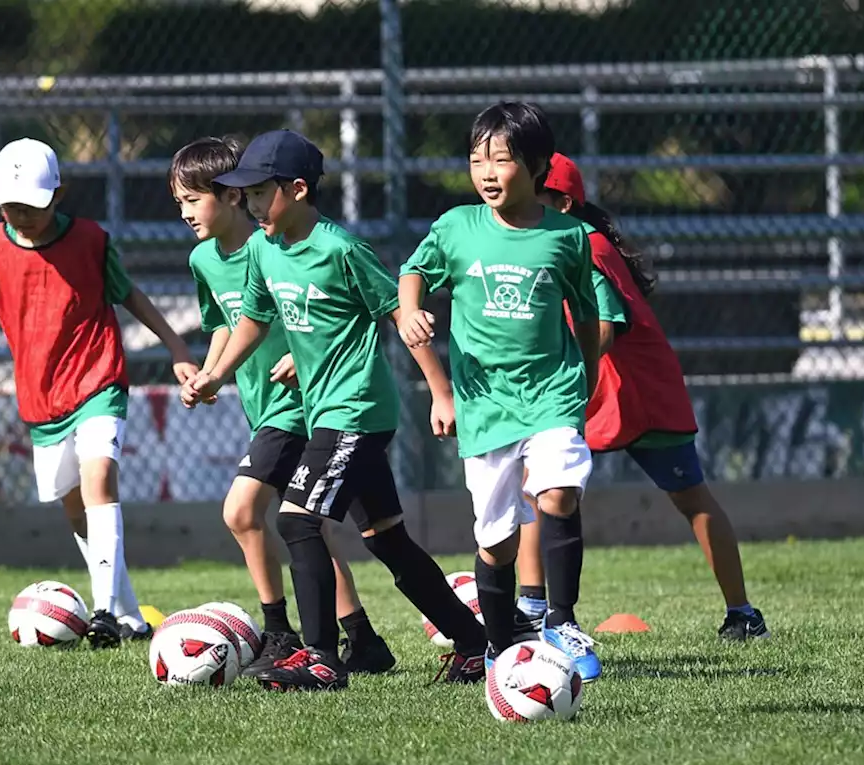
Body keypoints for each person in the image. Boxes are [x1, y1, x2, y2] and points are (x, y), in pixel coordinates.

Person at [182, 129, 488, 691]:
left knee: (297, 519)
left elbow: (396, 309)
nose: (249, 204)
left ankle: (320, 657)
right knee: (385, 537)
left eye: (258, 193)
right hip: (325, 408)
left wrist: (440, 392)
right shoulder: (265, 250)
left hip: (356, 409)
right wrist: (216, 376)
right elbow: (254, 319)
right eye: (243, 195)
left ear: (297, 190)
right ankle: (473, 644)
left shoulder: (339, 249)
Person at [0, 138, 197, 649]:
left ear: (58, 194)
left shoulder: (92, 241)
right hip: (42, 397)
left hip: (99, 379)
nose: (21, 215)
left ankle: (101, 614)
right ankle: (129, 613)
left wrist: (177, 348)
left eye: (31, 205)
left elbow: (130, 296)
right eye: (10, 205)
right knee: (74, 507)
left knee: (100, 477)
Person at [520, 152, 770, 641]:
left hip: (636, 390)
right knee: (537, 488)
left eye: (534, 192)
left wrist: (562, 368)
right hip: (593, 388)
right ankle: (531, 609)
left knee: (690, 497)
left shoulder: (586, 245)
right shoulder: (551, 242)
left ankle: (742, 613)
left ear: (563, 202)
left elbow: (608, 328)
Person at [170, 135, 394, 676]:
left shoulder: (272, 246)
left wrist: (302, 353)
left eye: (194, 200)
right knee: (310, 525)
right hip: (262, 405)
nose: (185, 214)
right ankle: (361, 637)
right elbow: (230, 322)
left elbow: (313, 314)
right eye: (178, 203)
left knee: (242, 511)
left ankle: (279, 632)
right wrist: (209, 373)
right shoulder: (203, 259)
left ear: (231, 196)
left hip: (298, 408)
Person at [397, 102, 603, 681]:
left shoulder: (567, 235)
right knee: (496, 542)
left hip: (551, 391)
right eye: (476, 158)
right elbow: (413, 274)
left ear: (538, 166)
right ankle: (499, 647)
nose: (486, 171)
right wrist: (412, 312)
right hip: (484, 402)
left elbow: (585, 314)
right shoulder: (457, 227)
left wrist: (582, 376)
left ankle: (561, 621)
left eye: (502, 159)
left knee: (559, 492)